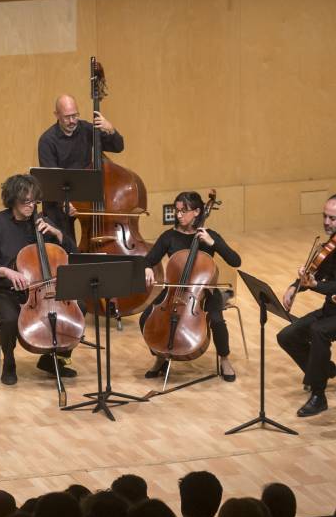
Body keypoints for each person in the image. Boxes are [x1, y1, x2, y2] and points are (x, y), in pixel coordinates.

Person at [0, 173, 80, 385]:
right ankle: (9, 361)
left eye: (34, 201)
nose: (31, 206)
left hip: (41, 289)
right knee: (9, 319)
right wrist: (7, 271)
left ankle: (53, 360)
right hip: (3, 290)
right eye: (26, 201)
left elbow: (72, 253)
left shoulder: (42, 222)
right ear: (12, 199)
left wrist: (57, 234)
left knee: (79, 309)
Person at [277, 195, 336, 417]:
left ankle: (318, 396)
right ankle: (324, 369)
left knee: (318, 331)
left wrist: (313, 285)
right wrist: (296, 286)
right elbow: (315, 272)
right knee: (287, 336)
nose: (327, 222)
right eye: (325, 216)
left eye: (333, 218)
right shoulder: (333, 243)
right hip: (334, 310)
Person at [139, 191, 242, 380]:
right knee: (146, 318)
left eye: (183, 211)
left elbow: (236, 261)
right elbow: (149, 260)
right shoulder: (169, 236)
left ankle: (224, 359)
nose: (178, 215)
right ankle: (161, 357)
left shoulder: (209, 236)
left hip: (204, 292)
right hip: (175, 290)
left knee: (217, 321)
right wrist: (147, 268)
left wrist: (214, 244)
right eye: (176, 211)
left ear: (196, 212)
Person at [37, 93, 124, 238]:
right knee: (62, 242)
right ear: (56, 115)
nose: (72, 121)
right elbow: (51, 179)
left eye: (75, 115)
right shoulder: (47, 141)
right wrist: (63, 203)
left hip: (85, 197)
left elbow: (118, 146)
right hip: (59, 199)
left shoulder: (86, 129)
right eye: (67, 117)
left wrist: (111, 129)